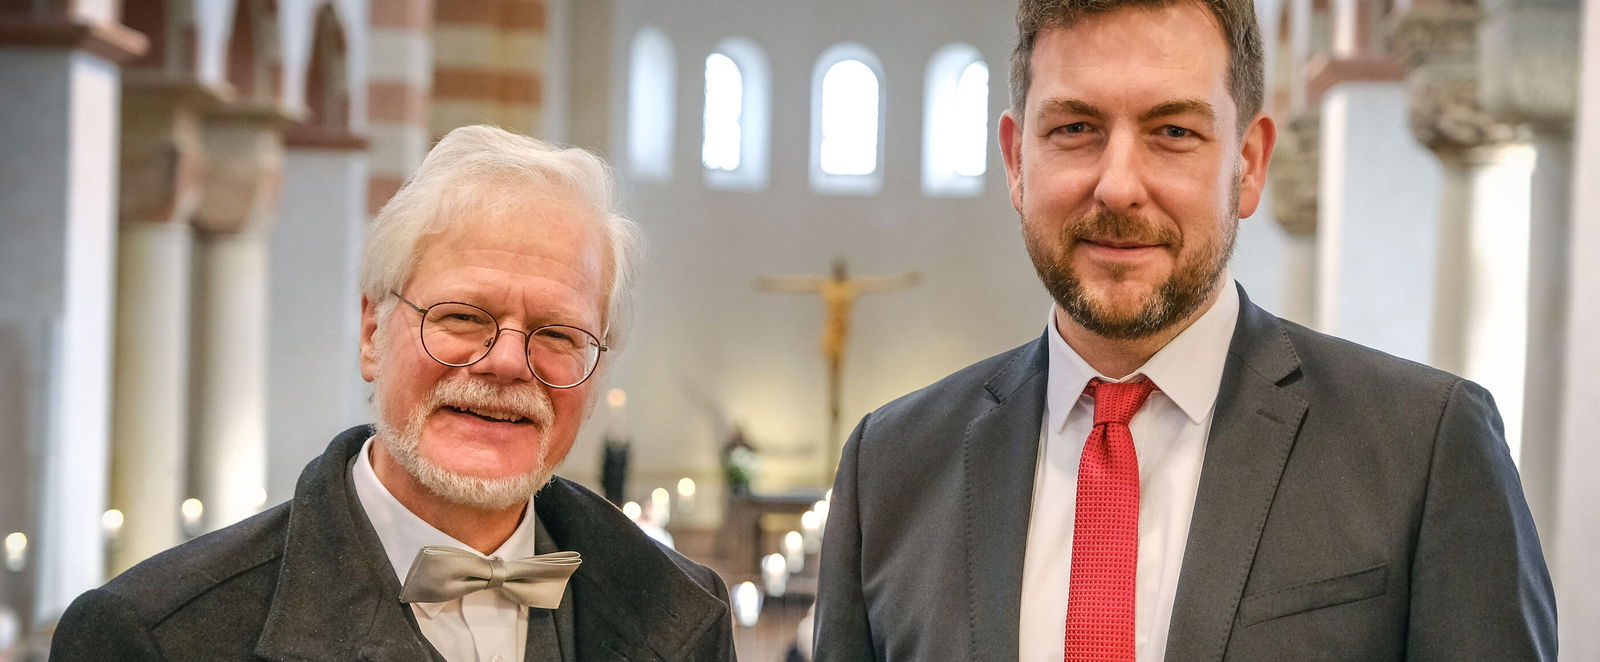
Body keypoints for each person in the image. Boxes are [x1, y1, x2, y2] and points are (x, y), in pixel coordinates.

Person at [812, 0, 1556, 659]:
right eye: (1075, 128)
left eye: (1173, 131)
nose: (1118, 186)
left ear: (1249, 164)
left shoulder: (1424, 449)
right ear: (1015, 161)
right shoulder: (892, 469)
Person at [50, 126, 736, 661]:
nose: (506, 362)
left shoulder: (681, 613)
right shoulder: (155, 636)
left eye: (557, 333)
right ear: (373, 333)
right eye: (463, 316)